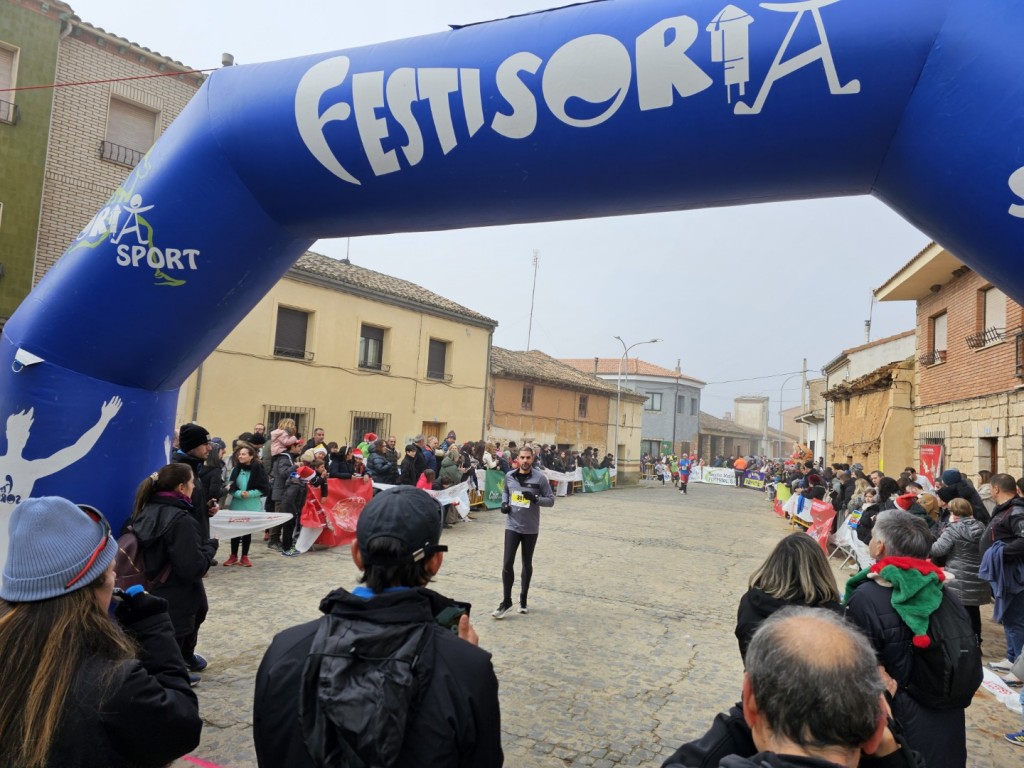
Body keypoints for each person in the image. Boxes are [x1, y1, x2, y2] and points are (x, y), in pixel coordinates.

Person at [253, 486, 503, 767]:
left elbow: (269, 750)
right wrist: (463, 665)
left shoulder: (285, 650)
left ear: (356, 554)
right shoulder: (468, 668)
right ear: (436, 561)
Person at [0, 497, 202, 768]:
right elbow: (182, 727)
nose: (114, 580)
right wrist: (154, 628)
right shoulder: (113, 682)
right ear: (90, 589)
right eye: (110, 574)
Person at [663, 607, 921, 768]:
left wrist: (754, 705)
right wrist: (894, 757)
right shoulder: (885, 744)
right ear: (876, 730)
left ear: (750, 703)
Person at [845, 509, 976, 768]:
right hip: (947, 724)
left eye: (872, 536)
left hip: (899, 727)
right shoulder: (944, 592)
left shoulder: (866, 597)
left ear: (880, 547)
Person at [131, 463, 218, 682]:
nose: (194, 487)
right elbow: (192, 568)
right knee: (178, 629)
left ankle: (184, 659)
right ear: (181, 487)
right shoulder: (180, 520)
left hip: (156, 584)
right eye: (192, 483)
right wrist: (210, 547)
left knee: (198, 610)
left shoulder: (145, 509)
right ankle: (175, 673)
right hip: (177, 589)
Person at [735, 533, 842, 662]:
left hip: (758, 672)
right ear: (820, 569)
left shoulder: (751, 601)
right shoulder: (834, 614)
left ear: (774, 564)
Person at [493, 446, 555, 619]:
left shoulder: (540, 478)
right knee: (507, 563)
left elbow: (551, 500)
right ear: (517, 459)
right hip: (512, 525)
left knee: (526, 563)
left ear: (532, 459)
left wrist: (536, 499)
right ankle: (506, 601)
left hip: (530, 528)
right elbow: (506, 492)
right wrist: (504, 504)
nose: (525, 460)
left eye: (528, 457)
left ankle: (523, 599)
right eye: (522, 457)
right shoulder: (509, 476)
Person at [979, 473, 1024, 674]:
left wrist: (1000, 553)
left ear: (996, 489)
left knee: (1015, 618)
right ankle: (1012, 657)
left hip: (1013, 575)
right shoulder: (1006, 510)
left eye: (991, 488)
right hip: (1005, 574)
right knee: (1008, 616)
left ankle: (1019, 666)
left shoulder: (1015, 511)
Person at [930, 497, 990, 647]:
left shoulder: (953, 529)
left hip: (958, 577)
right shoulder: (981, 526)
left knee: (958, 612)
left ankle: (963, 645)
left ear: (954, 512)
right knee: (973, 611)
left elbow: (937, 550)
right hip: (977, 576)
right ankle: (976, 641)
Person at [223, 441, 271, 567]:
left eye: (243, 454)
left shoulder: (258, 469)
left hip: (251, 505)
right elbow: (230, 487)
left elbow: (263, 488)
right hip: (237, 504)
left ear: (251, 456)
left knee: (246, 532)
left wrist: (249, 494)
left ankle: (244, 556)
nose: (240, 456)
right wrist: (239, 493)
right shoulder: (235, 469)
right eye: (239, 454)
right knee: (235, 531)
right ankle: (233, 555)